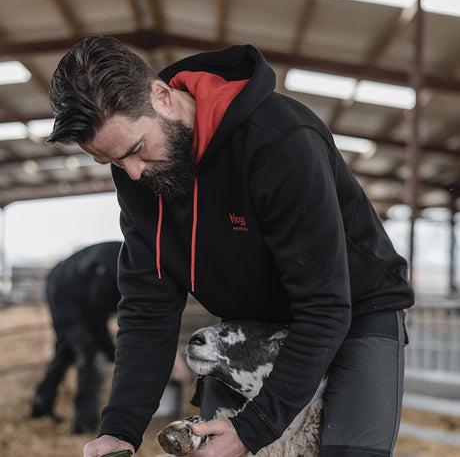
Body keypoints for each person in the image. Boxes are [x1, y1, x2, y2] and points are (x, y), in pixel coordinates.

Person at [47, 36, 414, 457]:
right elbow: (148, 305)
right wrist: (121, 430)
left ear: (162, 97)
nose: (132, 174)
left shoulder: (280, 140)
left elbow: (325, 304)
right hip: (251, 322)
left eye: (136, 150)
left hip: (354, 309)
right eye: (112, 161)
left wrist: (253, 429)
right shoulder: (139, 174)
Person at [30, 241, 122, 434]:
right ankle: (85, 425)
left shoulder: (132, 264)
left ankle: (41, 405)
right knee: (91, 355)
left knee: (66, 350)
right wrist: (110, 351)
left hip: (77, 294)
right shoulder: (116, 267)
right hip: (63, 292)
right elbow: (96, 316)